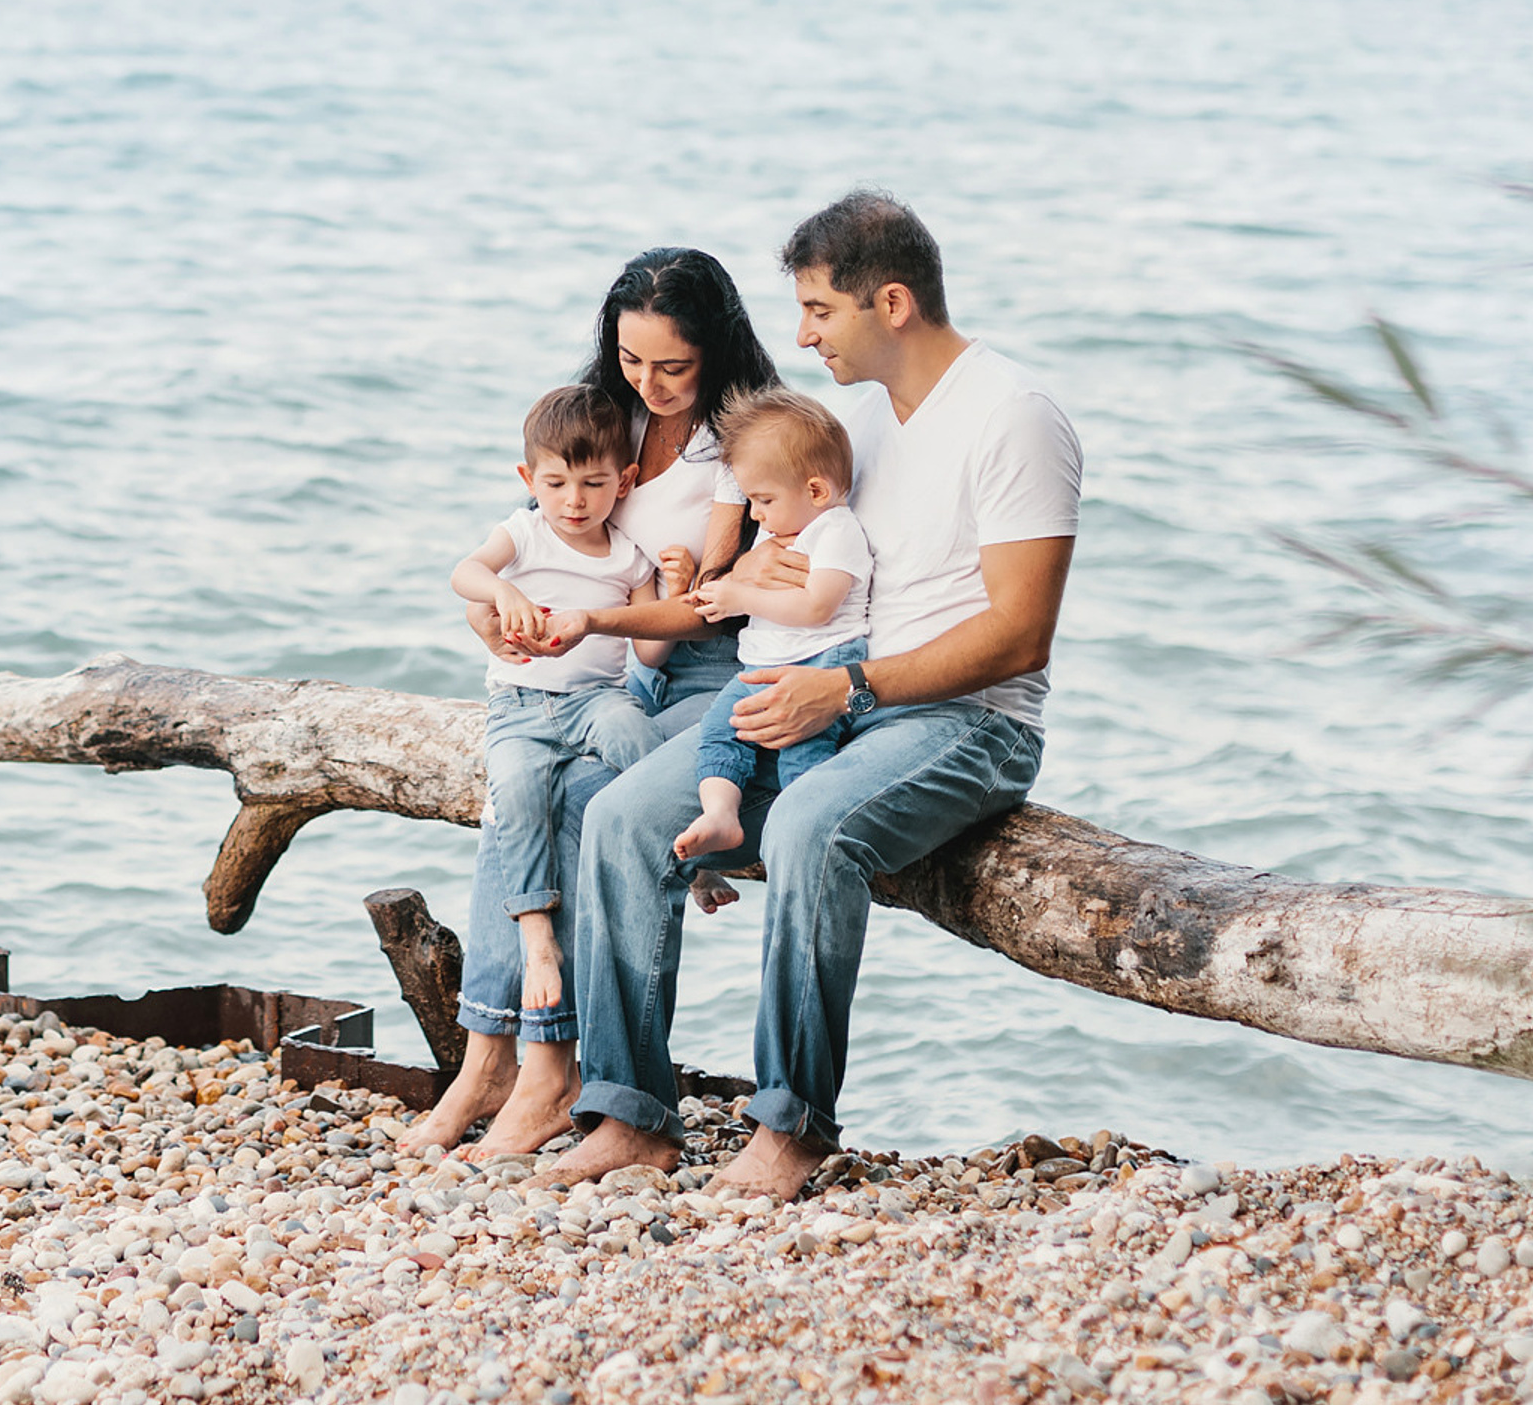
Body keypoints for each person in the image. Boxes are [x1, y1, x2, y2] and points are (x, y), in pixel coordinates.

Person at [542, 190, 1082, 1195]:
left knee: (809, 830)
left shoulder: (1012, 416)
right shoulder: (854, 423)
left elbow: (1018, 634)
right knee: (618, 817)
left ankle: (791, 1126)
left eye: (818, 311)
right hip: (823, 687)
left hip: (966, 720)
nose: (798, 334)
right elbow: (778, 561)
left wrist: (845, 688)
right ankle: (628, 1114)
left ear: (891, 302)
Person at [399, 246, 778, 1159]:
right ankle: (493, 1052)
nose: (647, 383)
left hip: (700, 672)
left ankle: (547, 1065)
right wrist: (490, 620)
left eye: (673, 367)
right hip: (604, 670)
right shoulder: (600, 420)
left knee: (568, 797)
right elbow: (524, 554)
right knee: (511, 793)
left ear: (717, 353)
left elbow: (701, 604)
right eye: (630, 359)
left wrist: (591, 619)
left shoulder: (739, 444)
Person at [454, 385, 671, 1016]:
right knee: (516, 793)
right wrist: (501, 594)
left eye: (593, 484)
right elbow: (462, 572)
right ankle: (535, 932)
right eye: (555, 484)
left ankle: (691, 856)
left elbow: (651, 655)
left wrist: (673, 587)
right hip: (519, 703)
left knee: (638, 740)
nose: (573, 502)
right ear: (529, 478)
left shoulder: (630, 559)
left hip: (594, 699)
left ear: (624, 481)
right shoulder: (524, 533)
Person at [671, 385, 870, 871]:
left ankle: (804, 836)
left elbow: (818, 606)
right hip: (767, 664)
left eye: (763, 500)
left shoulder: (834, 530)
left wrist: (740, 595)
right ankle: (722, 814)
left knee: (802, 747)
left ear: (816, 491)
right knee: (719, 732)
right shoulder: (785, 526)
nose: (755, 514)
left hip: (821, 662)